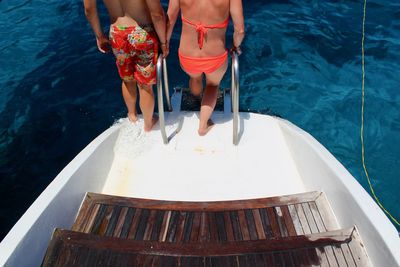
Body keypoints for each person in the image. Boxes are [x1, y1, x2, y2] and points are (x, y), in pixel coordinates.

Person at [83, 0, 169, 132]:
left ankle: (132, 115)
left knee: (127, 79)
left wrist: (99, 36)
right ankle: (148, 123)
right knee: (145, 85)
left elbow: (89, 9)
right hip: (142, 32)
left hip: (117, 33)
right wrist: (163, 42)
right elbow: (157, 14)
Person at [167, 0, 245, 136]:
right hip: (215, 56)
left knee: (194, 77)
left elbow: (170, 19)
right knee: (213, 85)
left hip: (187, 54)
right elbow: (240, 30)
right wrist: (235, 46)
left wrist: (164, 44)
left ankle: (197, 98)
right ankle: (203, 125)